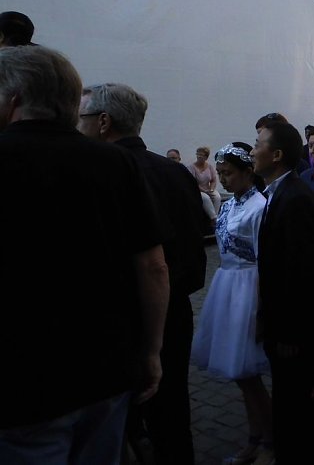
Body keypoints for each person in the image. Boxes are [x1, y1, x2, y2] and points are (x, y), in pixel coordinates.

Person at [0, 46, 169, 464]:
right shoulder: (116, 163)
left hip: (24, 382)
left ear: (15, 99)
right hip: (106, 370)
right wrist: (151, 350)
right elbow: (153, 266)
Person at [78, 82, 208, 465]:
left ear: (103, 122)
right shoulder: (174, 171)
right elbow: (193, 243)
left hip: (122, 318)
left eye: (81, 118)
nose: (77, 126)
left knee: (116, 423)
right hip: (175, 311)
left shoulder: (99, 172)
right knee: (172, 415)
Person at [252, 121, 314, 464]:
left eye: (258, 144)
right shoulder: (279, 192)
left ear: (277, 155)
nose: (253, 151)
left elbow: (302, 274)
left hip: (294, 332)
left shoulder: (294, 199)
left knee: (295, 405)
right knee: (291, 405)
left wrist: (290, 332)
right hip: (284, 326)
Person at [191, 143, 273, 465]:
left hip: (248, 288)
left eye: (229, 174)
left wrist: (262, 307)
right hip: (227, 284)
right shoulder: (228, 205)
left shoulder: (260, 207)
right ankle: (256, 437)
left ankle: (269, 439)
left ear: (247, 173)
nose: (223, 180)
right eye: (221, 173)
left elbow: (265, 259)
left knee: (249, 374)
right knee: (241, 375)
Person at [188, 145, 222, 222]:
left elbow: (213, 179)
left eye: (201, 155)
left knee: (217, 197)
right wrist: (204, 191)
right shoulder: (192, 167)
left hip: (208, 188)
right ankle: (213, 218)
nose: (199, 156)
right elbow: (192, 183)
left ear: (206, 157)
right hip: (197, 190)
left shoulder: (209, 166)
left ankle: (216, 216)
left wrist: (211, 189)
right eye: (198, 154)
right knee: (206, 198)